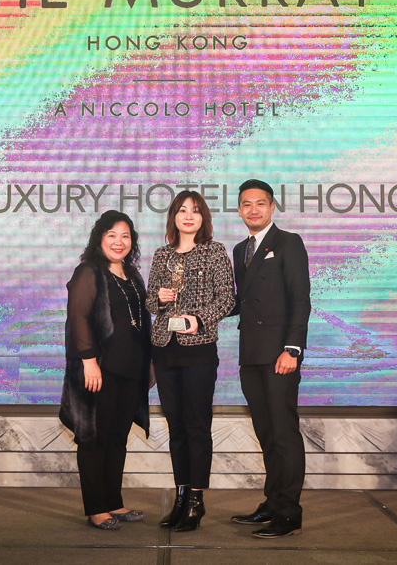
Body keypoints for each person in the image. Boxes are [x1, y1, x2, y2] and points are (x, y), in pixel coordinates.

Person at [145, 190, 235, 532]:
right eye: (182, 210)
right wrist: (159, 297)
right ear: (173, 217)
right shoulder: (161, 254)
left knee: (197, 425)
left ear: (203, 218)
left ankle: (196, 500)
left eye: (195, 211)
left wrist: (199, 319)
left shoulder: (214, 251)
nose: (188, 216)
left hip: (198, 350)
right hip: (164, 349)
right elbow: (150, 302)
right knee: (176, 425)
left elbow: (227, 299)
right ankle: (181, 496)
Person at [59, 210, 153, 530]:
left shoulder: (133, 274)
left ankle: (114, 502)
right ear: (99, 238)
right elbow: (79, 317)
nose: (119, 242)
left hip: (130, 370)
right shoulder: (88, 271)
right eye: (112, 235)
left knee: (117, 438)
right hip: (99, 371)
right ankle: (97, 509)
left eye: (125, 236)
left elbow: (141, 321)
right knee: (93, 439)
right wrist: (89, 362)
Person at [229, 179, 311, 538]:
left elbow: (300, 298)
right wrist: (198, 308)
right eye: (246, 204)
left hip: (280, 354)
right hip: (250, 354)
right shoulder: (239, 249)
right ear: (239, 210)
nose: (253, 210)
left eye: (260, 203)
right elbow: (240, 301)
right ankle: (273, 502)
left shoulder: (288, 242)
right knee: (266, 433)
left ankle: (289, 513)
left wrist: (292, 348)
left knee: (284, 433)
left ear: (272, 206)